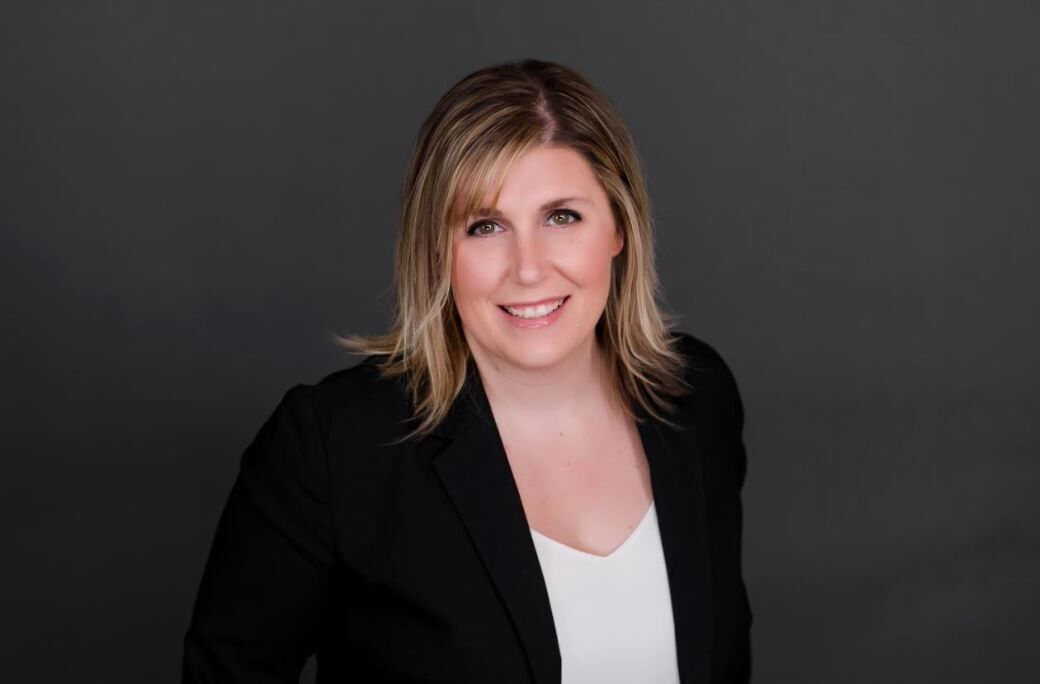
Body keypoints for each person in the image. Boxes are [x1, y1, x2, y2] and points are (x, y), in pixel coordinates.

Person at [182, 58, 751, 683]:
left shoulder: (696, 399)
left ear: (619, 228)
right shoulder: (332, 448)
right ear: (435, 252)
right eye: (485, 226)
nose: (528, 268)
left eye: (562, 216)